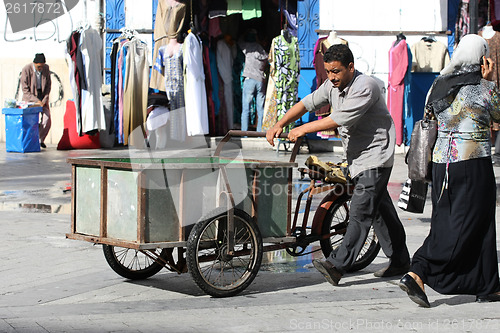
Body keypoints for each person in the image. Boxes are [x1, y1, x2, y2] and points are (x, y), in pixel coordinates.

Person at [266, 44, 410, 286]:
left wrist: (301, 129)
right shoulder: (333, 86)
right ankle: (400, 260)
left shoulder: (366, 86)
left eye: (336, 72)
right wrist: (280, 123)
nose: (331, 77)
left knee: (361, 212)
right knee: (381, 211)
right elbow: (308, 103)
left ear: (350, 68)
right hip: (357, 159)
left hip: (375, 157)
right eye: (328, 72)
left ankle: (336, 265)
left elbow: (339, 118)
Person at [399, 34, 500, 308]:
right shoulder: (481, 88)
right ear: (481, 58)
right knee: (463, 224)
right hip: (472, 163)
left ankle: (487, 285)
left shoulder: (438, 84)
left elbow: (429, 119)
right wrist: (491, 81)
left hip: (442, 165)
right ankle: (418, 270)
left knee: (465, 220)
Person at [239, 29, 268, 132]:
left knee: (246, 108)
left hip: (250, 79)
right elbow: (268, 60)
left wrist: (244, 33)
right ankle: (260, 132)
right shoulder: (263, 52)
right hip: (260, 80)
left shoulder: (248, 48)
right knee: (260, 109)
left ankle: (244, 132)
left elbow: (239, 43)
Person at [21, 53, 51, 148]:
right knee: (31, 121)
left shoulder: (46, 69)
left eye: (42, 66)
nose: (40, 68)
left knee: (47, 119)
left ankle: (39, 139)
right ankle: (31, 140)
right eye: (38, 66)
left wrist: (44, 100)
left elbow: (48, 87)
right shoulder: (26, 69)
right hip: (30, 98)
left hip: (42, 98)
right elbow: (25, 90)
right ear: (34, 63)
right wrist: (36, 101)